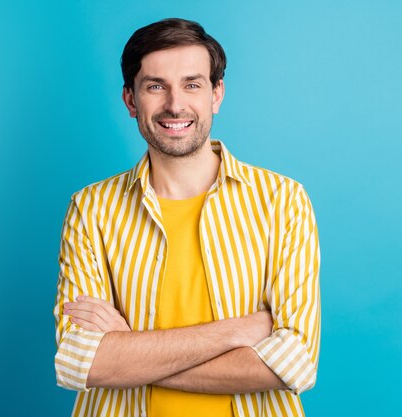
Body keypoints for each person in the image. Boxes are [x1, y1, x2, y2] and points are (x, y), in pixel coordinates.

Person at [53, 18, 320, 417]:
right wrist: (237, 331)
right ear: (130, 100)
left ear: (217, 94)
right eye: (155, 86)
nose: (175, 105)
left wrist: (130, 352)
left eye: (192, 84)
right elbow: (81, 361)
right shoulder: (91, 209)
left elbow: (293, 363)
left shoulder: (282, 201)